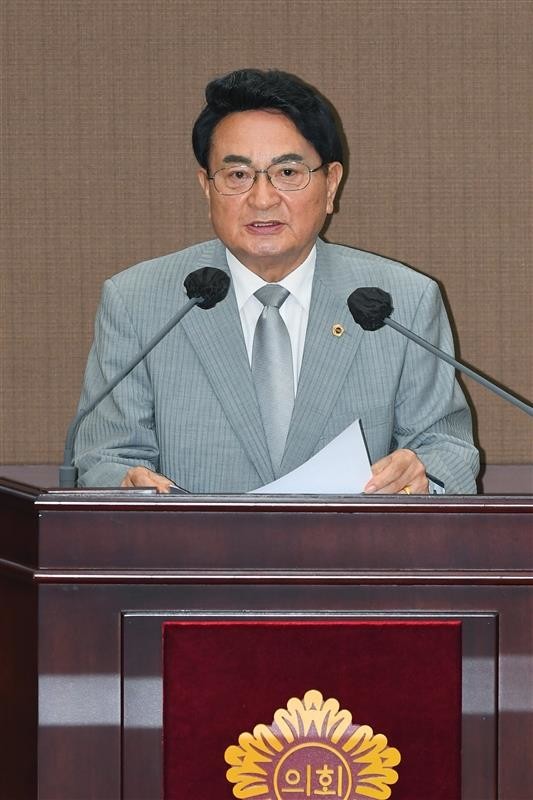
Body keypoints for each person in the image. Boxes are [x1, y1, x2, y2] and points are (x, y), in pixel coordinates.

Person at [74, 68, 479, 494]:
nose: (263, 199)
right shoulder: (138, 302)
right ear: (206, 187)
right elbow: (103, 456)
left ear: (331, 184)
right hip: (188, 540)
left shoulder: (401, 303)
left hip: (350, 540)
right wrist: (123, 485)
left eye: (287, 173)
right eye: (237, 175)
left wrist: (422, 477)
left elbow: (446, 449)